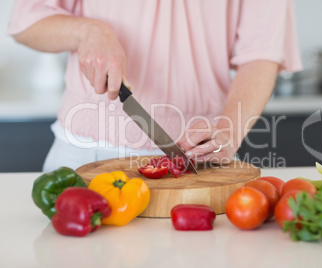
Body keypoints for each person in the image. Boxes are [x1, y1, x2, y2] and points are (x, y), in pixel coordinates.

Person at [8, 0, 302, 171]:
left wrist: (229, 131)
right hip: (87, 153)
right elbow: (27, 21)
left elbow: (262, 54)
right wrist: (88, 31)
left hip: (201, 157)